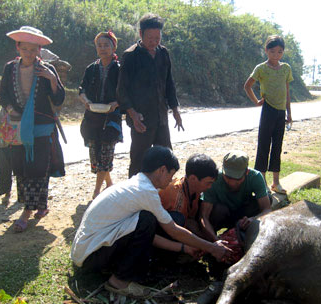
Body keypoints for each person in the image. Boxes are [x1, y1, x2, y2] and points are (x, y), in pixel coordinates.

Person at [71, 146, 232, 298]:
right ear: (162, 170)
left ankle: (115, 268)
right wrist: (211, 247)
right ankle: (119, 282)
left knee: (145, 220)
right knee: (146, 220)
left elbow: (149, 235)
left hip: (85, 254)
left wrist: (186, 247)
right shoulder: (146, 191)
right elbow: (173, 230)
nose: (171, 179)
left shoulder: (138, 184)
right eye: (170, 174)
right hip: (90, 257)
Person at [0, 26, 65, 232]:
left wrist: (52, 80)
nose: (29, 53)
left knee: (38, 166)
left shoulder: (47, 70)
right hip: (19, 125)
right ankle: (41, 205)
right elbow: (4, 95)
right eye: (25, 49)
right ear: (18, 47)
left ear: (39, 50)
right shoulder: (10, 69)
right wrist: (11, 110)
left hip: (42, 126)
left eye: (33, 49)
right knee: (21, 166)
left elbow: (59, 98)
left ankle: (26, 212)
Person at [117, 13, 183, 178]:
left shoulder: (163, 53)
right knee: (139, 160)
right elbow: (121, 90)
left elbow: (169, 83)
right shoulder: (130, 56)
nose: (154, 42)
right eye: (150, 38)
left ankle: (165, 195)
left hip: (161, 117)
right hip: (141, 119)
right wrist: (133, 114)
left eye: (157, 38)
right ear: (141, 34)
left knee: (166, 158)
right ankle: (135, 198)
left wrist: (175, 110)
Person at [244, 35, 293, 194]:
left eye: (279, 52)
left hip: (281, 112)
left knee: (277, 147)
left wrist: (289, 113)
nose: (276, 55)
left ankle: (276, 182)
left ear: (283, 52)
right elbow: (248, 86)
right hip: (268, 110)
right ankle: (262, 181)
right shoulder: (261, 68)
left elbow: (286, 91)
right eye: (272, 52)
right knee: (264, 146)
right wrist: (256, 101)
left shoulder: (286, 68)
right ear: (266, 51)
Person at [79, 31, 122, 199]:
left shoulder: (120, 69)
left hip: (111, 118)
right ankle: (109, 183)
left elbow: (127, 92)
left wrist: (116, 103)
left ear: (114, 47)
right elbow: (81, 89)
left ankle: (97, 192)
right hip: (92, 117)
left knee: (106, 151)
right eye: (99, 45)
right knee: (96, 153)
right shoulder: (91, 68)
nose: (103, 48)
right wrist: (86, 101)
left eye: (106, 45)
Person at [201, 150, 272, 241]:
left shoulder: (255, 177)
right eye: (228, 177)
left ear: (246, 172)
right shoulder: (214, 179)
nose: (232, 182)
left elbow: (267, 209)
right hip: (223, 214)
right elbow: (204, 216)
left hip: (243, 214)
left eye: (237, 178)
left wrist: (253, 219)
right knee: (218, 210)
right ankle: (212, 235)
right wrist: (215, 241)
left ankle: (242, 231)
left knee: (268, 199)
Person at [157, 154, 219, 257]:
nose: (210, 187)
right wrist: (209, 245)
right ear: (193, 179)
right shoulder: (174, 193)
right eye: (208, 183)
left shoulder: (195, 189)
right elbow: (175, 229)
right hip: (161, 231)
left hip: (179, 225)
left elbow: (190, 220)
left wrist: (210, 241)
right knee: (178, 219)